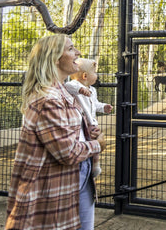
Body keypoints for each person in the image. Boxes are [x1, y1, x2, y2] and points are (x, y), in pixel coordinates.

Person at [6, 35, 105, 230]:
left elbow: (68, 130)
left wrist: (87, 131)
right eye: (71, 49)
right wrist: (98, 144)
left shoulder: (64, 91)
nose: (77, 53)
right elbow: (67, 153)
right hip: (54, 180)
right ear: (55, 58)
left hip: (79, 175)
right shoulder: (48, 99)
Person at [65, 58, 113, 178]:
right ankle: (84, 165)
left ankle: (95, 165)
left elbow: (95, 104)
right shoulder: (74, 85)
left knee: (95, 142)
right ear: (85, 75)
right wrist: (80, 90)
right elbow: (67, 86)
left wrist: (103, 107)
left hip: (92, 122)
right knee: (85, 144)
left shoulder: (93, 90)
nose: (96, 75)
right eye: (95, 73)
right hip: (82, 123)